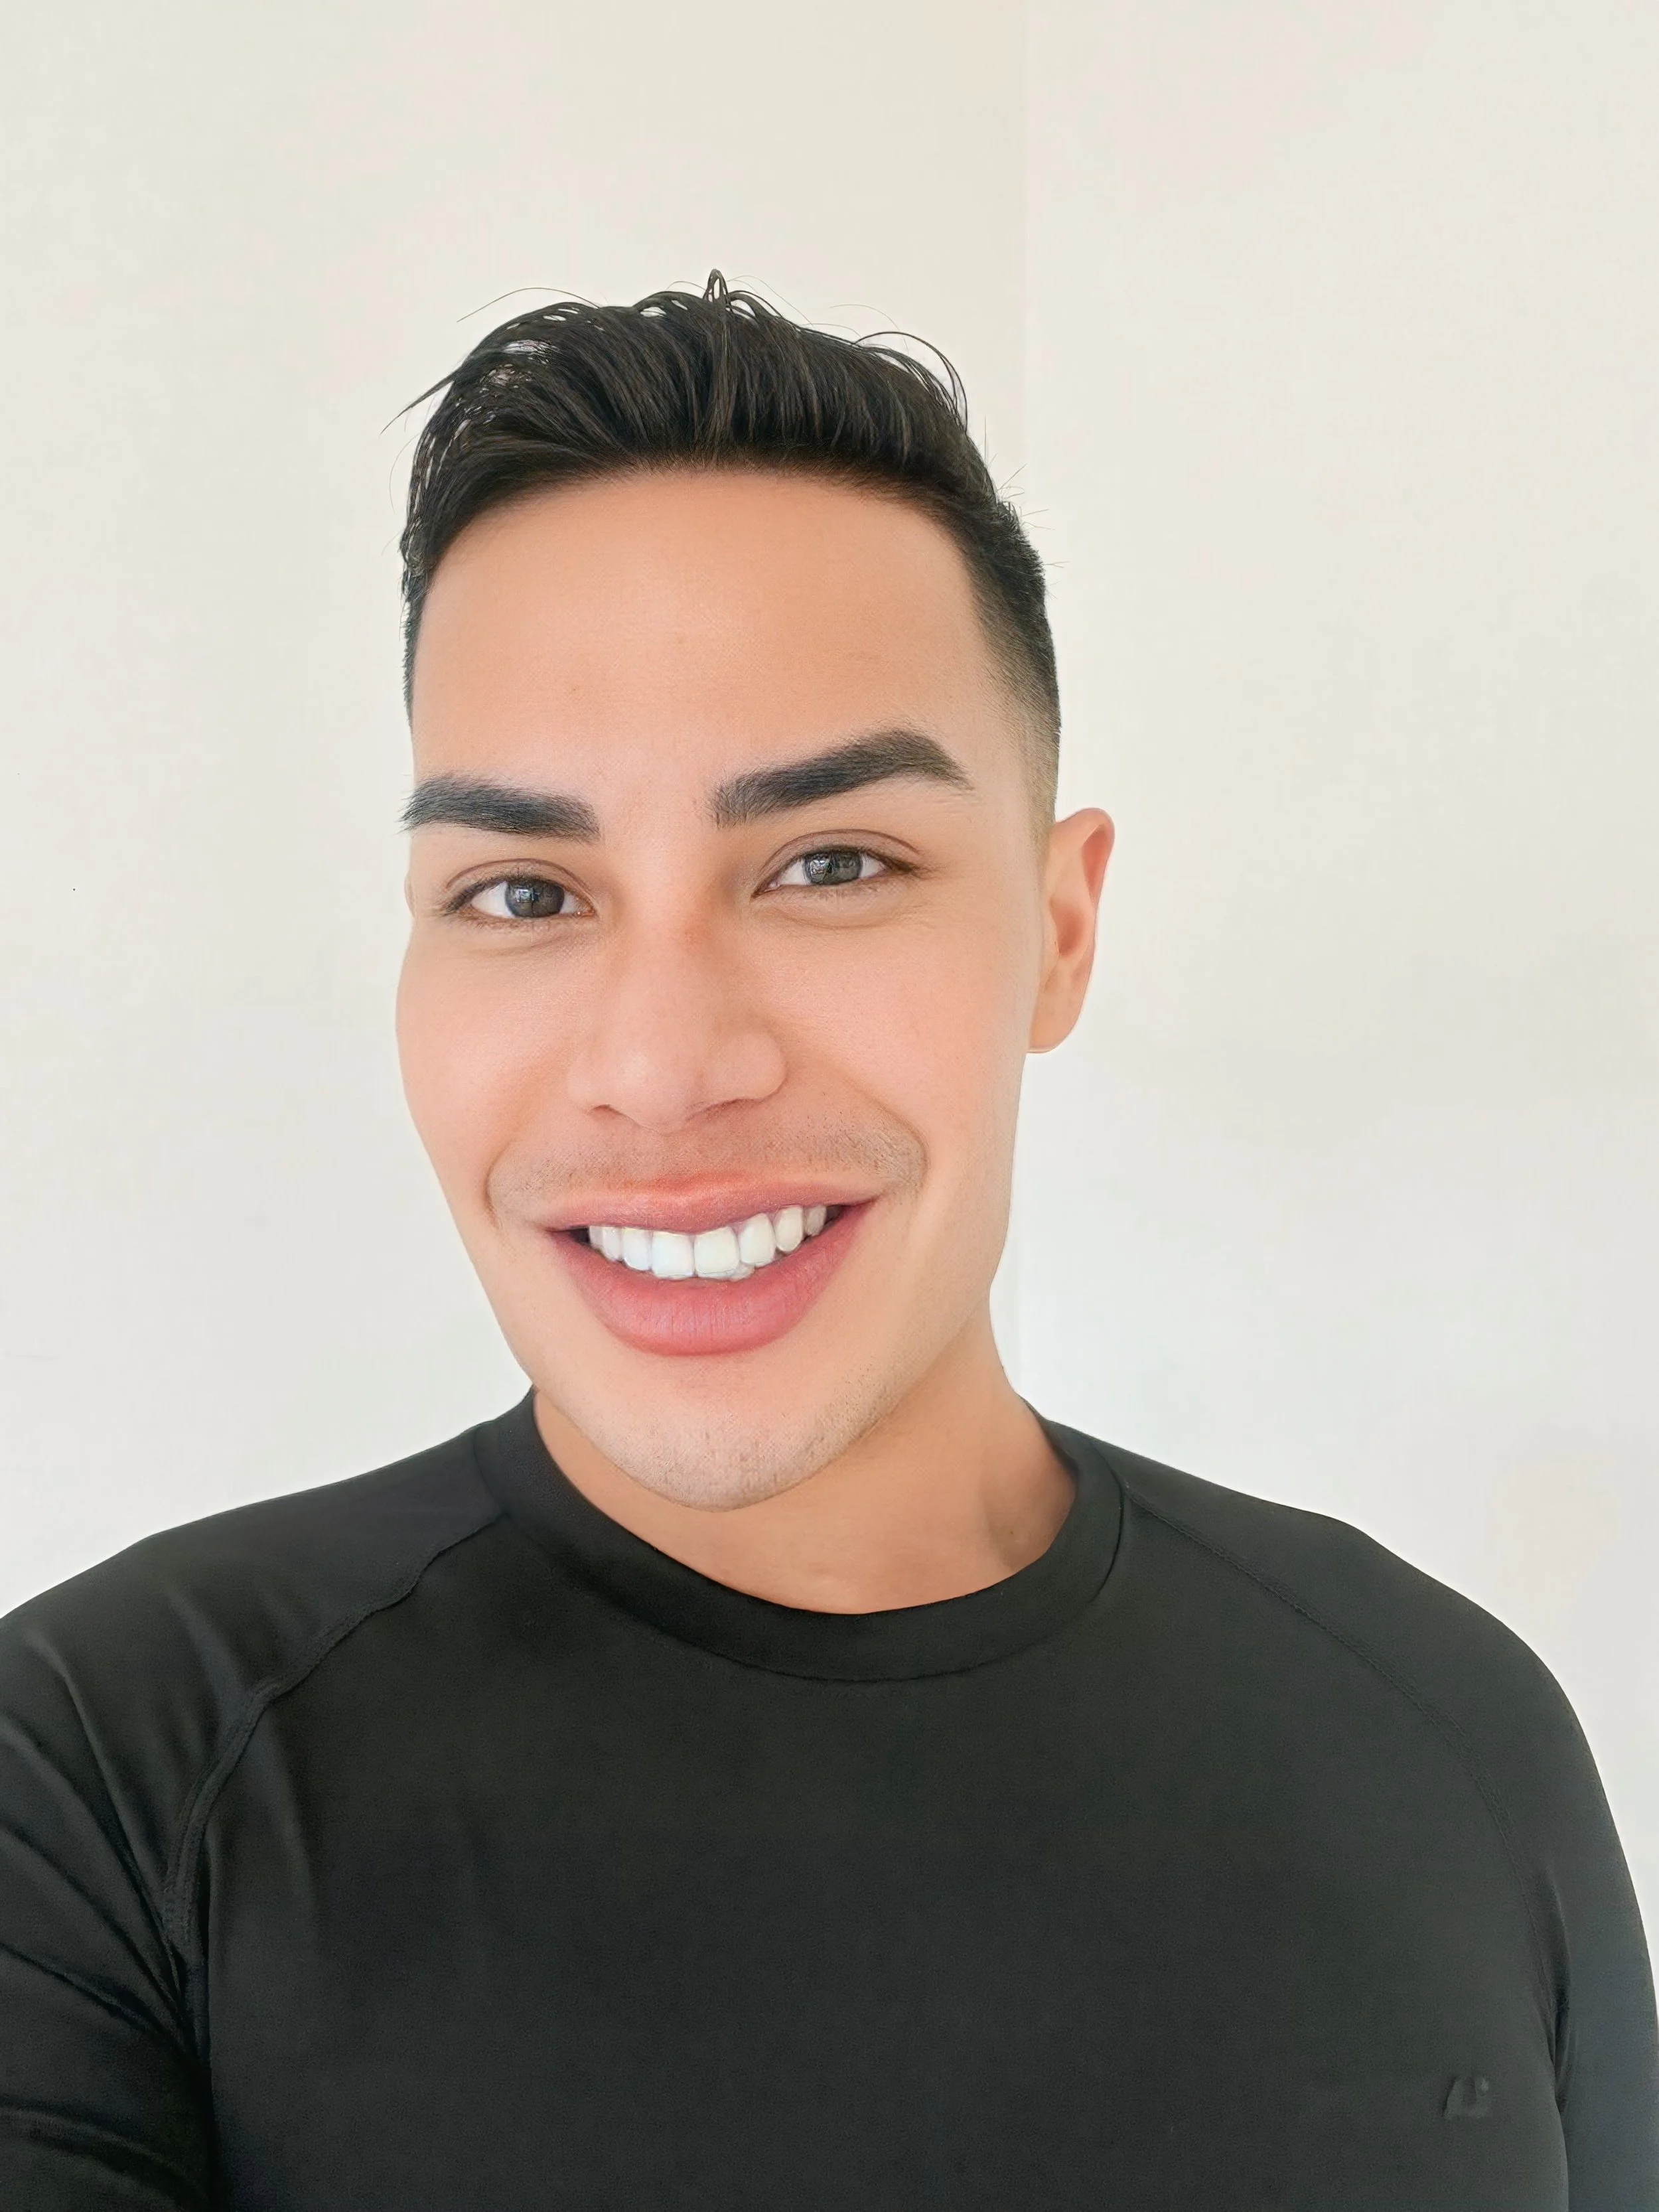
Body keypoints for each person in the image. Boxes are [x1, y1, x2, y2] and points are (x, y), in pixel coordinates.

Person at [1, 271, 1653, 2212]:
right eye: (525, 888)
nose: (662, 1064)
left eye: (829, 864)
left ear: (1054, 929)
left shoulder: (1450, 1734)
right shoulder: (99, 1787)